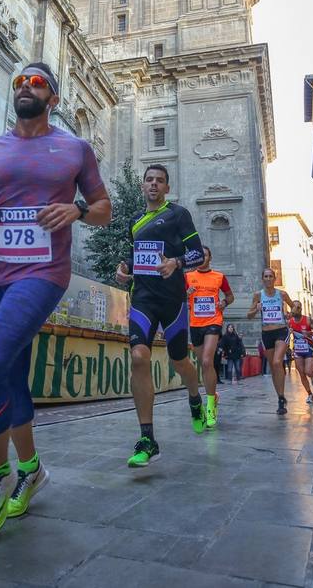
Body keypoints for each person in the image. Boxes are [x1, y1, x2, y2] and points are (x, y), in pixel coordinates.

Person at [0, 62, 111, 542]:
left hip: (45, 273)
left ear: (54, 98)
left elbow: (104, 209)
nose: (26, 86)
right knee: (10, 377)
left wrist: (77, 209)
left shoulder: (74, 148)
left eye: (37, 82)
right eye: (20, 81)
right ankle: (32, 470)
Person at [116, 164, 206, 466]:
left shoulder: (178, 215)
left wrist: (176, 263)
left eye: (160, 181)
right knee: (139, 356)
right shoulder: (135, 221)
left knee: (179, 359)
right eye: (149, 180)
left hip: (173, 300)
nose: (154, 184)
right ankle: (147, 438)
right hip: (142, 298)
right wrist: (125, 268)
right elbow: (136, 254)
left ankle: (194, 397)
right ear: (143, 186)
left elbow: (197, 254)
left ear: (167, 187)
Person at [185, 247, 234, 427]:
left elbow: (230, 296)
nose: (202, 258)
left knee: (207, 362)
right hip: (195, 324)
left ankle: (211, 406)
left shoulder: (219, 276)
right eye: (200, 255)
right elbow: (179, 298)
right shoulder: (188, 277)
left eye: (205, 255)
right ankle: (214, 394)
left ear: (210, 258)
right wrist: (186, 295)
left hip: (213, 321)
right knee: (203, 364)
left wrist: (223, 302)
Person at [247, 268, 294, 415]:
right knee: (274, 368)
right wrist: (256, 310)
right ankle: (280, 397)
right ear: (262, 279)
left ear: (275, 278)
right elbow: (249, 315)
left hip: (281, 331)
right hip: (266, 333)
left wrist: (289, 314)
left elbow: (295, 307)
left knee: (276, 362)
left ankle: (281, 398)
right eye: (265, 276)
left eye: (270, 276)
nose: (268, 279)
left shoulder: (282, 294)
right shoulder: (258, 296)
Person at [288, 302, 313, 406]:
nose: (295, 309)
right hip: (297, 350)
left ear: (300, 309)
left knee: (308, 372)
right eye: (293, 307)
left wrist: (310, 333)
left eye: (297, 307)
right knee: (301, 373)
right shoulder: (290, 322)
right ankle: (310, 394)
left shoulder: (307, 320)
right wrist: (288, 332)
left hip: (309, 349)